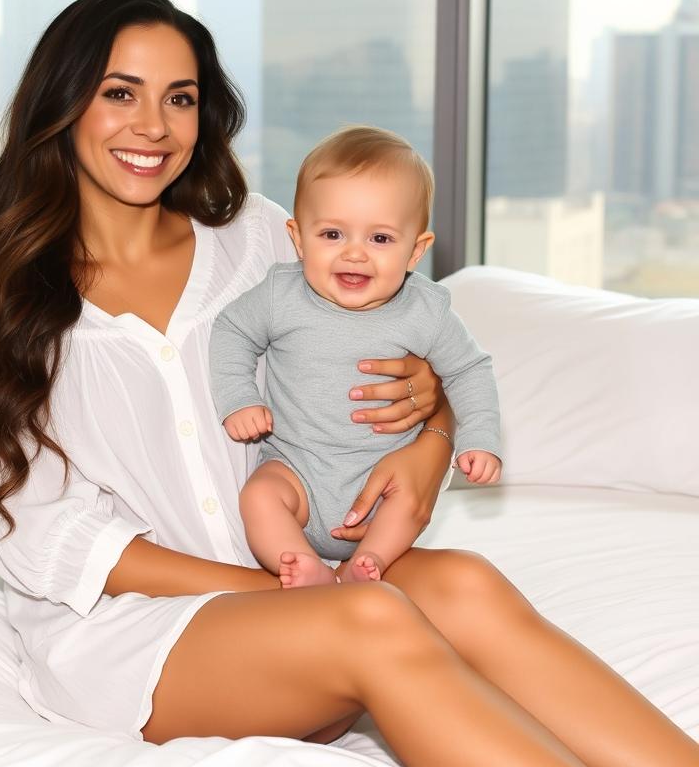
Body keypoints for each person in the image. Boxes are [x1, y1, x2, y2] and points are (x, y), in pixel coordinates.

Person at [0, 0, 699, 767]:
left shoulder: (260, 238)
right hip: (136, 642)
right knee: (372, 618)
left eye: (179, 98)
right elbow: (40, 531)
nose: (152, 127)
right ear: (64, 103)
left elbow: (405, 363)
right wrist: (285, 595)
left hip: (303, 597)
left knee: (462, 581)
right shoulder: (1, 291)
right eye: (121, 93)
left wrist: (432, 435)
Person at [210, 126, 502, 588]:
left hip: (383, 478)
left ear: (416, 251)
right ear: (298, 238)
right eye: (332, 233)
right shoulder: (279, 295)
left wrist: (480, 439)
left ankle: (366, 565)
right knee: (259, 498)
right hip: (296, 470)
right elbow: (231, 331)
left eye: (381, 239)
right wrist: (238, 398)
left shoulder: (426, 310)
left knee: (406, 505)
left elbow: (469, 370)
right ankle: (302, 566)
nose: (354, 254)